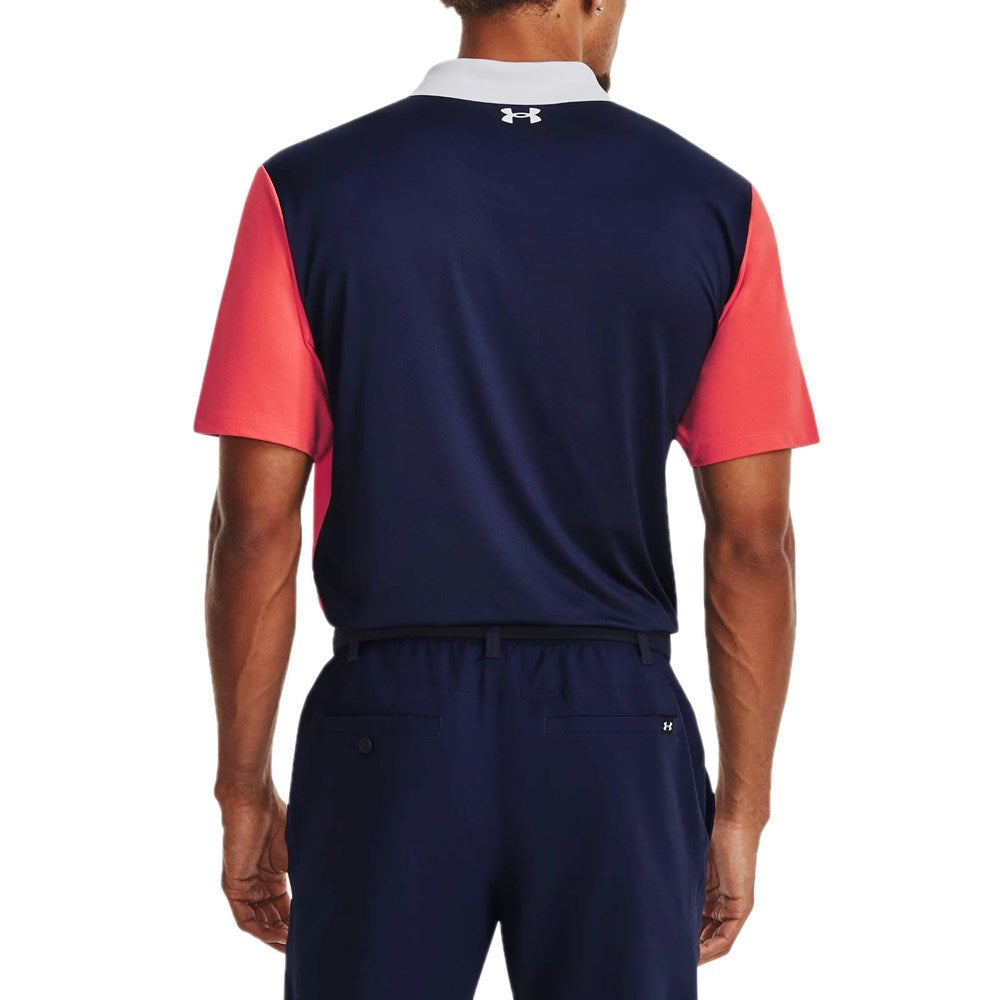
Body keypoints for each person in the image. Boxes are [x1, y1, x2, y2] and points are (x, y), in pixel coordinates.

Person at [194, 1, 819, 997]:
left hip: (387, 723)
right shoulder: (711, 205)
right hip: (616, 728)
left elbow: (254, 526)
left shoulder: (307, 191)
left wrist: (241, 784)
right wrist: (742, 807)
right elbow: (753, 542)